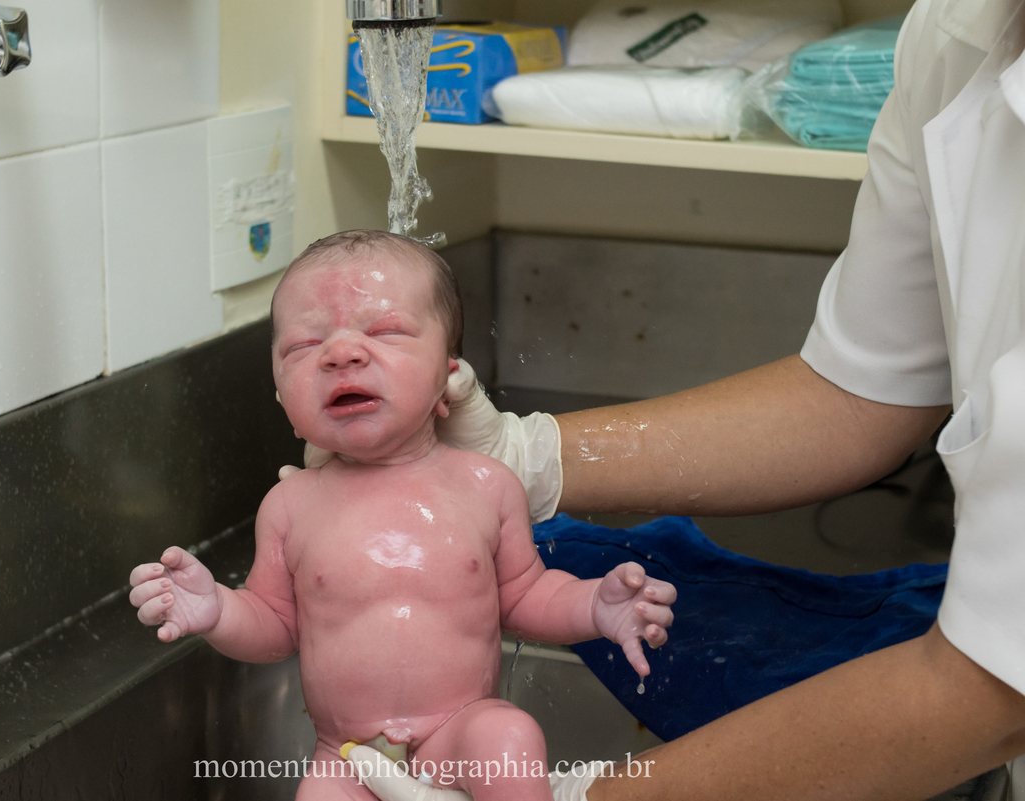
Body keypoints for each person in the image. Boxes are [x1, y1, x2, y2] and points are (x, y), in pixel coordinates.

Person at [306, 0, 1025, 797]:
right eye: (305, 343)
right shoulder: (955, 36)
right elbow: (855, 396)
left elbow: (992, 688)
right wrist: (521, 455)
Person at [128, 230, 676, 800]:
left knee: (509, 736)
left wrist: (594, 605)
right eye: (303, 346)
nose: (341, 353)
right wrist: (218, 610)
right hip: (345, 756)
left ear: (449, 378)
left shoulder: (488, 487)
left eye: (385, 332)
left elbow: (524, 598)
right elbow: (274, 627)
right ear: (284, 403)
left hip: (458, 731)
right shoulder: (289, 508)